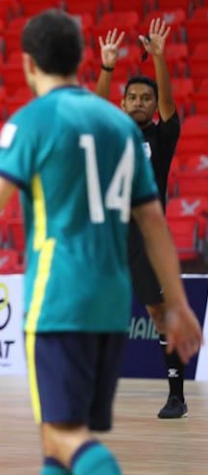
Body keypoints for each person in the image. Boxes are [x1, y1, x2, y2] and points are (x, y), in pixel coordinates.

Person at [0, 10, 202, 475]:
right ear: (83, 59)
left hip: (62, 292)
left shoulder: (35, 121)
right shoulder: (120, 132)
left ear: (28, 64)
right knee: (60, 437)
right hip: (110, 298)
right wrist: (182, 303)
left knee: (64, 436)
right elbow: (154, 223)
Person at [96, 19, 186, 419]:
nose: (138, 102)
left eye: (145, 98)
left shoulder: (161, 139)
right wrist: (107, 68)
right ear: (122, 103)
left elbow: (168, 105)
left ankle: (176, 395)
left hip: (147, 242)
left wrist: (161, 59)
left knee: (158, 315)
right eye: (131, 97)